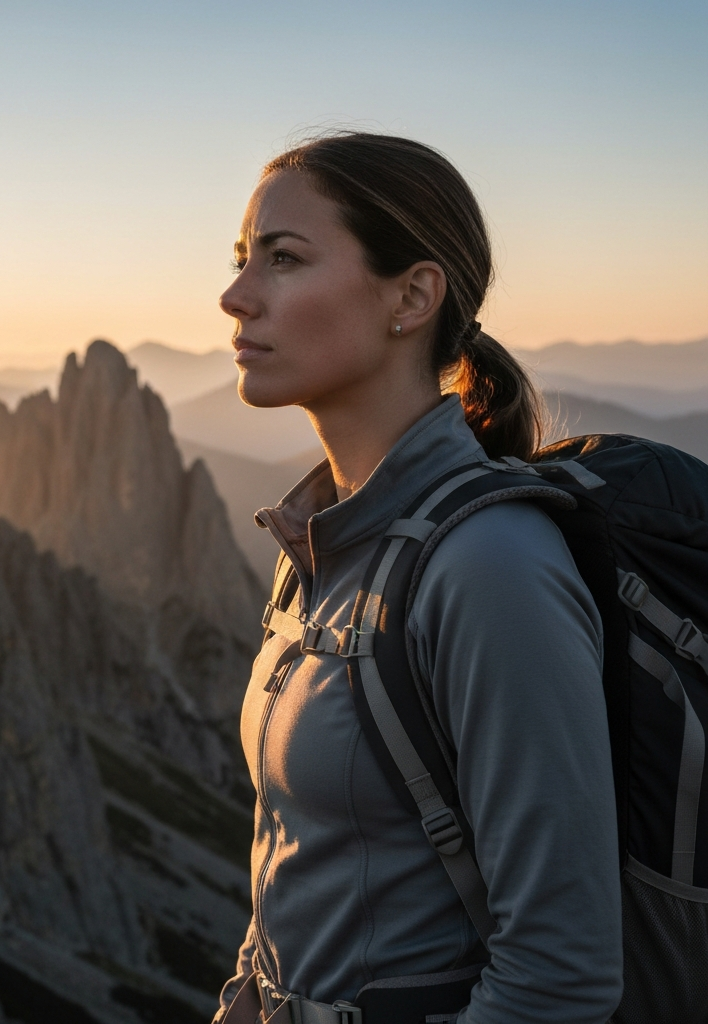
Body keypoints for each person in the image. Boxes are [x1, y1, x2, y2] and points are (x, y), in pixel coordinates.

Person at [213, 133, 623, 1024]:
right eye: (243, 259)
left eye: (282, 260)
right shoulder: (319, 547)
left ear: (412, 296)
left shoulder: (490, 567)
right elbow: (298, 868)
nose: (235, 296)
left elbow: (561, 977)